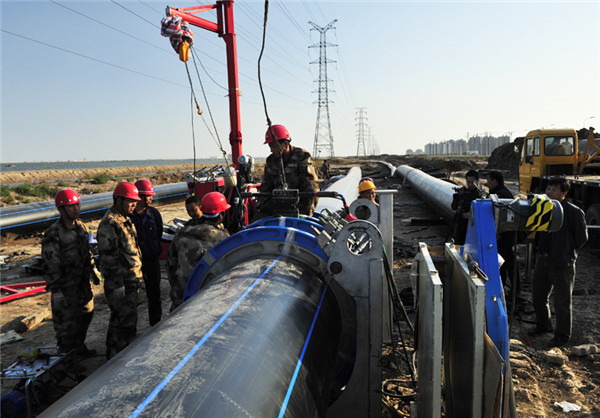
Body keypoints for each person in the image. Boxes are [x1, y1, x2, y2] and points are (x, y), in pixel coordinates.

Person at [529, 177, 588, 347]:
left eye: (553, 190)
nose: (549, 192)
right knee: (538, 296)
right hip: (543, 260)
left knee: (562, 301)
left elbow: (582, 238)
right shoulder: (544, 208)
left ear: (564, 193)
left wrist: (566, 250)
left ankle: (562, 335)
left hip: (562, 263)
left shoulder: (574, 212)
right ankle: (543, 326)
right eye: (548, 189)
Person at [42, 189, 98, 358]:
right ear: (61, 209)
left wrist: (93, 269)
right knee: (66, 327)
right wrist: (57, 289)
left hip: (82, 284)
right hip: (65, 288)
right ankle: (68, 360)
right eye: (71, 206)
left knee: (87, 314)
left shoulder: (81, 227)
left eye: (77, 205)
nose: (76, 208)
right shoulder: (54, 233)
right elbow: (50, 263)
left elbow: (87, 251)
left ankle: (79, 348)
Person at [97, 182, 144, 359]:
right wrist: (118, 286)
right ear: (119, 200)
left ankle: (124, 354)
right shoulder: (110, 223)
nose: (134, 205)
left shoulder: (125, 219)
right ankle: (114, 358)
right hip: (122, 283)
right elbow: (109, 258)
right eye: (131, 201)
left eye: (135, 201)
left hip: (131, 280)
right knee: (120, 322)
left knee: (128, 321)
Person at [167, 192, 230, 311]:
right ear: (221, 216)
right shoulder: (223, 238)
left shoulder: (181, 233)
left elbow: (171, 266)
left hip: (181, 296)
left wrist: (177, 288)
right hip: (208, 298)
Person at [258, 124, 320, 217]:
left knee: (312, 188)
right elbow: (266, 187)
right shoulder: (271, 160)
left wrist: (304, 213)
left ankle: (304, 219)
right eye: (270, 147)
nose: (271, 150)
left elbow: (309, 184)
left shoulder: (302, 156)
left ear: (286, 143)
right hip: (277, 201)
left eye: (274, 146)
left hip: (298, 201)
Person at [131, 179, 163, 326]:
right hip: (135, 263)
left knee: (154, 294)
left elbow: (159, 233)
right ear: (139, 197)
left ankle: (155, 324)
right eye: (148, 196)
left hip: (152, 260)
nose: (151, 199)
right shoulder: (129, 217)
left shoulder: (154, 214)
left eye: (151, 196)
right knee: (132, 297)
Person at [486, 171, 517, 290]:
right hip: (506, 234)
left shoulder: (500, 195)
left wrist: (497, 232)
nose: (487, 183)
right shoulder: (501, 192)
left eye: (488, 180)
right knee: (509, 262)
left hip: (503, 236)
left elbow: (500, 216)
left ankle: (503, 288)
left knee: (503, 263)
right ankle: (514, 288)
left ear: (495, 181)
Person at [451, 170, 485, 245]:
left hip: (474, 228)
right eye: (468, 182)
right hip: (461, 227)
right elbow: (453, 207)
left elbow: (484, 213)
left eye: (472, 182)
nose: (470, 185)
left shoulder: (481, 195)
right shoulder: (463, 192)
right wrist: (456, 199)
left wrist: (472, 214)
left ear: (477, 181)